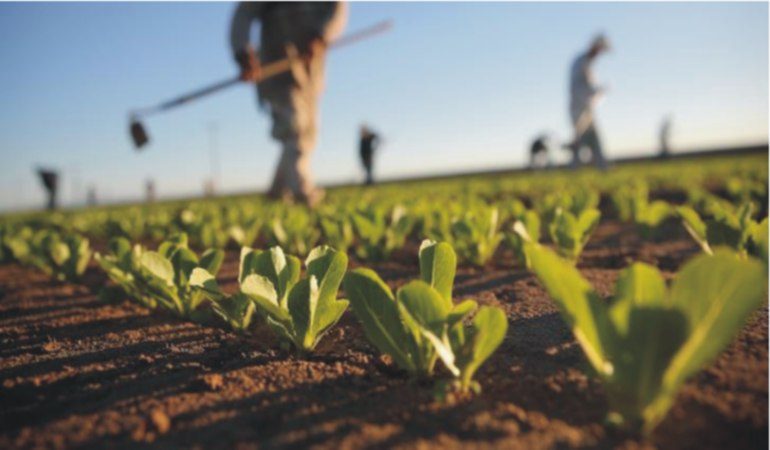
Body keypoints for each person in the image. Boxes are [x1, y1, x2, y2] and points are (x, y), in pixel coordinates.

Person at [230, 2, 348, 207]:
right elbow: (243, 15)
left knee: (308, 134)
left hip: (311, 72)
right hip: (277, 69)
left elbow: (337, 11)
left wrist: (323, 36)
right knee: (295, 129)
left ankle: (276, 192)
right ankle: (303, 192)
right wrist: (242, 52)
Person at [567, 34, 610, 170]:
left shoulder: (587, 63)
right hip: (579, 109)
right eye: (600, 50)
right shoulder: (581, 62)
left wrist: (596, 92)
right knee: (580, 140)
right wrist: (598, 90)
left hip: (587, 109)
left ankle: (602, 167)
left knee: (594, 138)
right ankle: (574, 170)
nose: (600, 53)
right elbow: (579, 87)